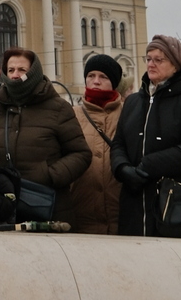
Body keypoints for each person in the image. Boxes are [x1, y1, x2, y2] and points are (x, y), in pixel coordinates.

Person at [112, 35, 181, 237]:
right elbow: (118, 143)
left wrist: (147, 165)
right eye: (148, 58)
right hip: (133, 202)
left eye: (159, 60)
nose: (151, 64)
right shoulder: (132, 102)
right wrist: (122, 168)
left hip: (172, 205)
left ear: (176, 65)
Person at [0, 48, 89, 224]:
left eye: (22, 70)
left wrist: (50, 175)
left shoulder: (58, 108)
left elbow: (81, 154)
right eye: (11, 70)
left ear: (34, 72)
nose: (15, 75)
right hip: (1, 210)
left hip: (47, 209)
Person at [62, 53, 125, 234]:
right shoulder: (70, 115)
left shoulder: (128, 113)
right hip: (81, 216)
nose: (96, 81)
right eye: (91, 76)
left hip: (120, 217)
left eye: (103, 77)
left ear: (113, 82)